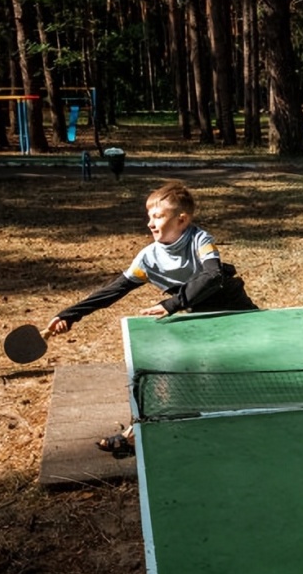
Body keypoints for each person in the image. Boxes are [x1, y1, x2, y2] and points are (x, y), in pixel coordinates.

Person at [47, 180, 259, 454]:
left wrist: (172, 303)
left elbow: (213, 274)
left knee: (253, 372)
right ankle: (138, 431)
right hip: (199, 318)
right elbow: (114, 290)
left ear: (181, 220)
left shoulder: (200, 240)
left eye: (158, 216)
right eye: (149, 216)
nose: (150, 223)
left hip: (236, 311)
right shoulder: (148, 259)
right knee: (169, 373)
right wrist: (70, 314)